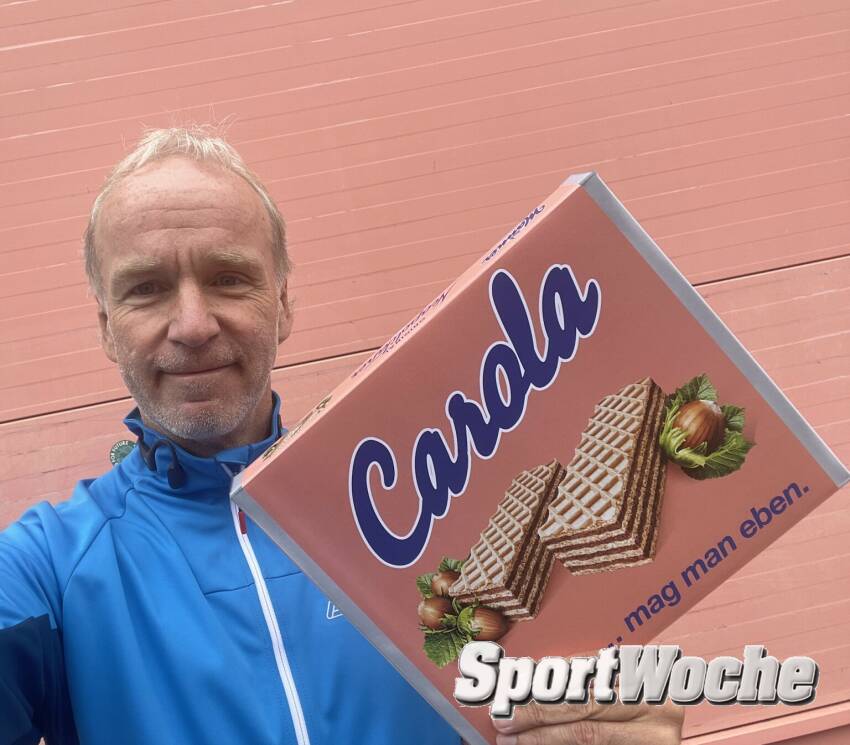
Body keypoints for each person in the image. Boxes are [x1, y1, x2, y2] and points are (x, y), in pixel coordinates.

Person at [0, 127, 684, 745]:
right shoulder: (48, 570)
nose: (193, 324)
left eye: (228, 278)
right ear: (107, 327)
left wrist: (606, 725)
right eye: (147, 288)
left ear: (283, 303)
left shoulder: (439, 495)